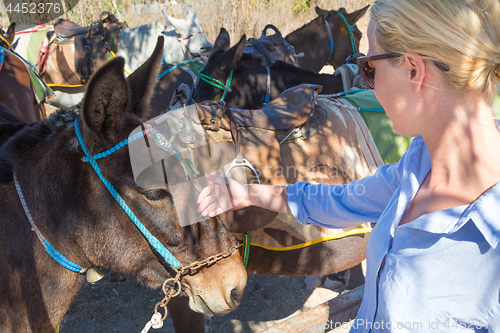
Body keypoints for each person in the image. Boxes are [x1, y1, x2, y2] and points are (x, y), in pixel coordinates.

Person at [197, 0, 500, 331]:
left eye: (368, 68)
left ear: (414, 71)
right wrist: (249, 193)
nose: (364, 81)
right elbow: (342, 200)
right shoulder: (418, 163)